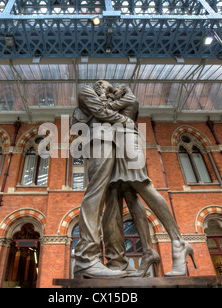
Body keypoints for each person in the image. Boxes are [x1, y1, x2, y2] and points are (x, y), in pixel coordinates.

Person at [102, 84, 197, 277]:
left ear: (124, 89)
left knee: (143, 186)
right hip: (118, 145)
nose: (113, 93)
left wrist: (104, 95)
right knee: (129, 194)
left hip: (129, 142)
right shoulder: (121, 102)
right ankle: (147, 252)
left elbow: (103, 110)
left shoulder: (130, 100)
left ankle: (179, 241)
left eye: (116, 90)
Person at [72, 80, 135, 279]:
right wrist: (126, 121)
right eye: (108, 91)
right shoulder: (86, 91)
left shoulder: (104, 98)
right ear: (100, 85)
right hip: (97, 142)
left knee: (114, 200)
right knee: (95, 195)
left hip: (114, 143)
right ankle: (86, 258)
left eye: (112, 95)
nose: (109, 97)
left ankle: (117, 261)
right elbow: (100, 111)